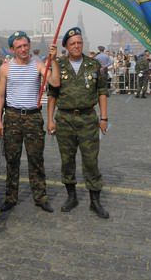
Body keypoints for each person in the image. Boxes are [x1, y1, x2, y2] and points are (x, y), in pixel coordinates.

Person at [47, 27, 110, 219]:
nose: (76, 46)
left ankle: (95, 201)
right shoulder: (58, 65)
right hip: (65, 120)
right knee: (67, 160)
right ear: (65, 45)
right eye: (72, 43)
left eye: (79, 43)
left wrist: (104, 118)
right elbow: (52, 95)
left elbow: (102, 92)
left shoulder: (93, 65)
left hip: (88, 119)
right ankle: (71, 196)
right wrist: (49, 119)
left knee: (91, 160)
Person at [0, 31, 60, 213]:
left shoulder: (39, 65)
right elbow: (0, 96)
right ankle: (10, 197)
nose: (23, 49)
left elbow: (54, 83)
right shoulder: (5, 68)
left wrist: (53, 60)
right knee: (12, 159)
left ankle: (41, 197)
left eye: (25, 45)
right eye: (19, 47)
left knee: (36, 158)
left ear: (29, 45)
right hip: (13, 117)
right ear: (12, 49)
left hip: (33, 117)